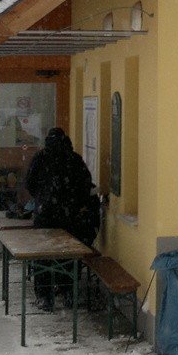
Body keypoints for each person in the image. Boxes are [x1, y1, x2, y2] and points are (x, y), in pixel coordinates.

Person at [23, 128, 103, 308]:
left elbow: (29, 183)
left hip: (45, 216)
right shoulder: (74, 160)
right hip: (69, 217)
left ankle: (44, 296)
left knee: (43, 255)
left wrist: (42, 199)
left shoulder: (40, 158)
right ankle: (67, 291)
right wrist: (74, 205)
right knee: (67, 256)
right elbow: (85, 186)